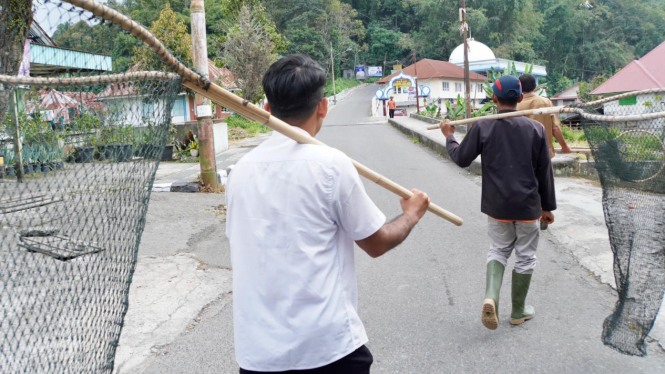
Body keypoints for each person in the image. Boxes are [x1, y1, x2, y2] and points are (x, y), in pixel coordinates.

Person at [226, 54, 431, 373]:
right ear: (322, 107)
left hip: (258, 356)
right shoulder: (331, 166)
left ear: (268, 109)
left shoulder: (238, 173)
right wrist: (412, 214)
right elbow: (376, 243)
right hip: (328, 352)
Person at [439, 75, 556, 330]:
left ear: (494, 98)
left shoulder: (483, 126)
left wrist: (449, 136)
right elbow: (544, 173)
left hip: (498, 207)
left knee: (498, 250)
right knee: (525, 257)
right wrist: (547, 207)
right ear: (521, 98)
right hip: (528, 207)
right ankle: (518, 310)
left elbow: (461, 158)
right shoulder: (535, 129)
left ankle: (491, 297)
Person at [517, 74, 571, 157]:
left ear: (519, 86)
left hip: (521, 154)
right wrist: (564, 146)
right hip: (544, 153)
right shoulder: (546, 102)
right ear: (535, 86)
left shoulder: (515, 104)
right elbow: (555, 128)